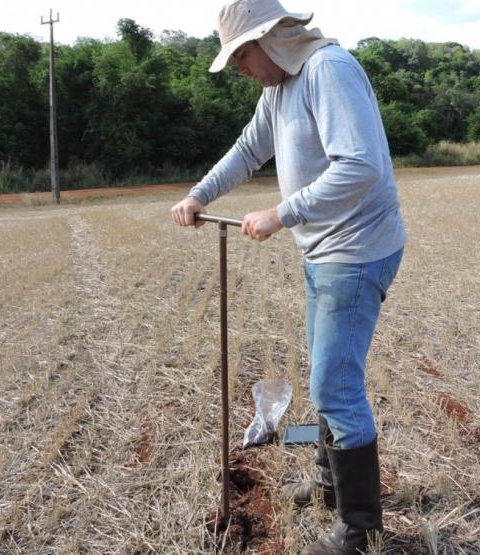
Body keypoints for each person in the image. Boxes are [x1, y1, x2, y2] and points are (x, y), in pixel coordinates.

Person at [170, 0, 406, 552]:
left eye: (241, 57)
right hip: (324, 251)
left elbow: (361, 166)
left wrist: (282, 213)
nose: (239, 70)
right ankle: (330, 484)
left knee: (334, 385)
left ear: (270, 38)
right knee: (329, 376)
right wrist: (200, 195)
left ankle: (361, 530)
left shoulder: (329, 70)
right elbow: (248, 150)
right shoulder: (279, 87)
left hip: (357, 249)